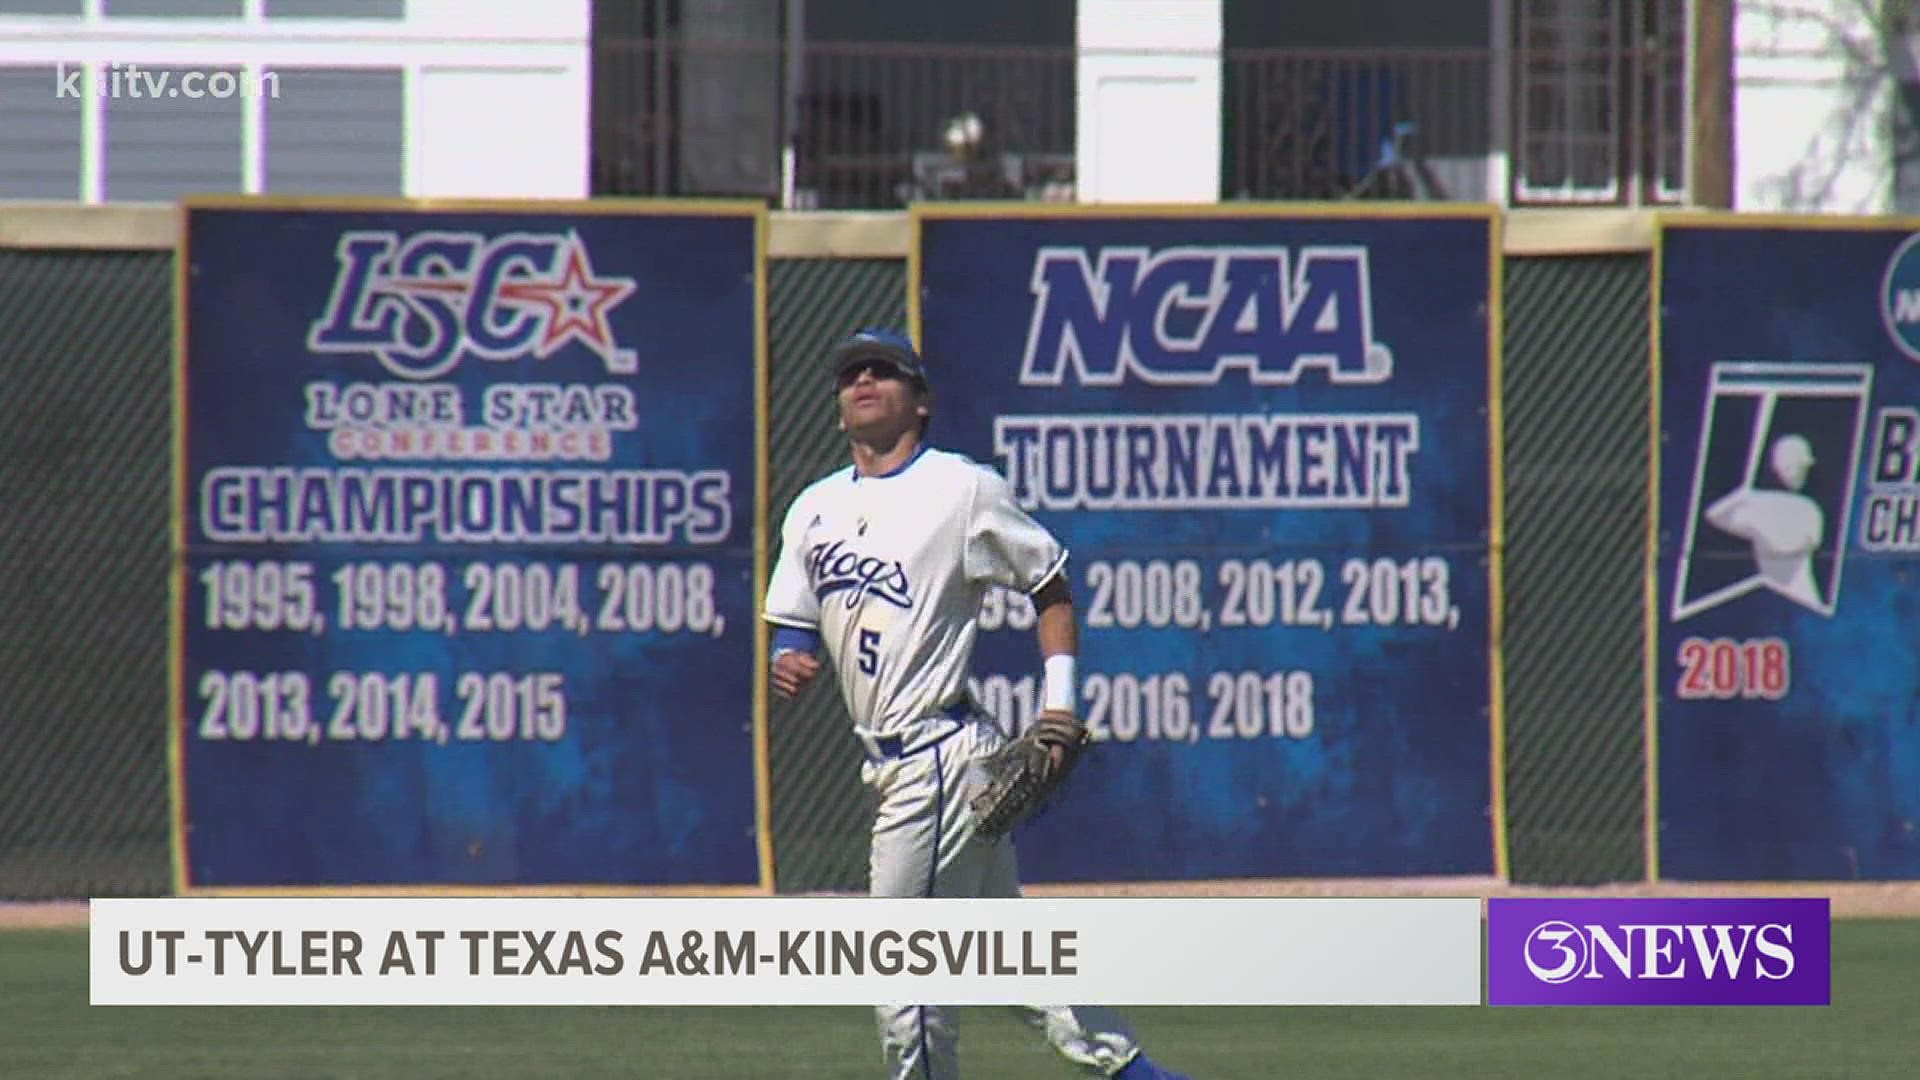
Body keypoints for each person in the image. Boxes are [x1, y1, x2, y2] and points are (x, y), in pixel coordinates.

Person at [761, 328, 1193, 1080]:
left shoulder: (961, 490)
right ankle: (1137, 1074)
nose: (863, 380)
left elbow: (1049, 585)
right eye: (850, 373)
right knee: (1005, 958)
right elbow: (792, 616)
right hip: (895, 764)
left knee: (906, 979)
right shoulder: (814, 507)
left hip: (937, 756)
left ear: (919, 401)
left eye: (884, 371)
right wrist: (785, 656)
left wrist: (1058, 709)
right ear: (836, 411)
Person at [1705, 432, 1825, 610]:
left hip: (1803, 599)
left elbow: (1792, 545)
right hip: (1771, 600)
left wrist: (1759, 527)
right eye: (1797, 467)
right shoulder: (1758, 503)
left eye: (1803, 469)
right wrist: (1738, 497)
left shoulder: (1808, 507)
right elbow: (1713, 516)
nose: (1801, 474)